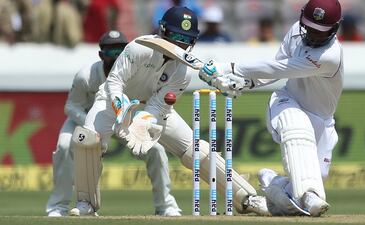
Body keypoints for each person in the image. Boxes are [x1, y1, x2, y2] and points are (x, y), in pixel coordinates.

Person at [70, 6, 270, 216]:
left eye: (186, 38)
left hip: (151, 107)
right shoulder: (138, 47)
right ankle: (86, 204)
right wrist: (120, 107)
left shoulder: (182, 72)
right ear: (163, 30)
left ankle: (245, 198)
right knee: (87, 140)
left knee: (195, 150)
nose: (179, 43)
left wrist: (143, 123)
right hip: (112, 100)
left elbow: (159, 105)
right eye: (175, 36)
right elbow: (114, 82)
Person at [198, 0, 343, 217]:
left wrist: (229, 68)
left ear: (334, 29)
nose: (312, 35)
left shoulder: (329, 56)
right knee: (297, 126)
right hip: (287, 101)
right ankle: (308, 194)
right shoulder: (295, 31)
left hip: (322, 119)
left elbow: (280, 68)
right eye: (310, 28)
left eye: (319, 32)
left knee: (306, 186)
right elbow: (276, 70)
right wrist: (247, 83)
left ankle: (273, 185)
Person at [46, 30, 181, 217]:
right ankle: (58, 206)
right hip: (84, 119)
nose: (116, 56)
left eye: (120, 50)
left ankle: (165, 206)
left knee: (155, 150)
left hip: (122, 119)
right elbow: (71, 106)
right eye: (110, 52)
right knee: (64, 146)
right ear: (101, 55)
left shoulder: (135, 69)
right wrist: (90, 128)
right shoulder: (86, 75)